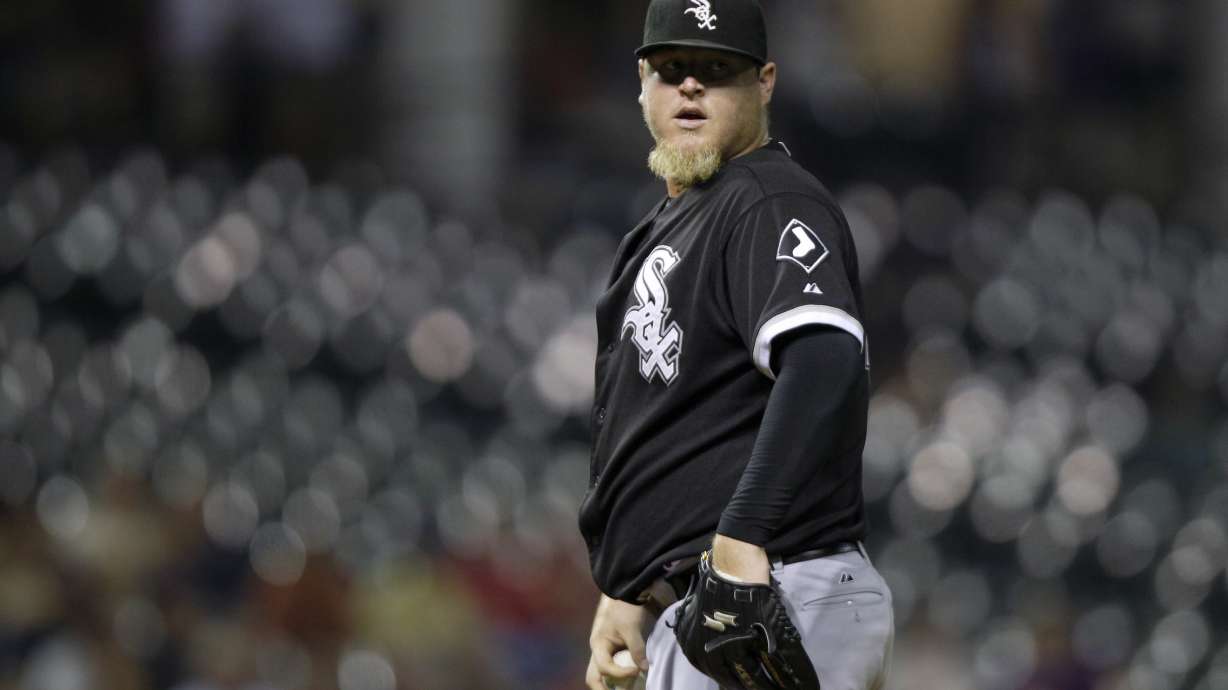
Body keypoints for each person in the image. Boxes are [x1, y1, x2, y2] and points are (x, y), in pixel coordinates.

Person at [578, 1, 894, 688]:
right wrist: (630, 588)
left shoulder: (767, 199)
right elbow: (681, 426)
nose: (691, 86)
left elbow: (823, 359)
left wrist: (743, 533)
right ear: (642, 83)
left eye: (718, 71)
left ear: (766, 83)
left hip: (770, 589)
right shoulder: (678, 222)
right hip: (709, 603)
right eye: (673, 69)